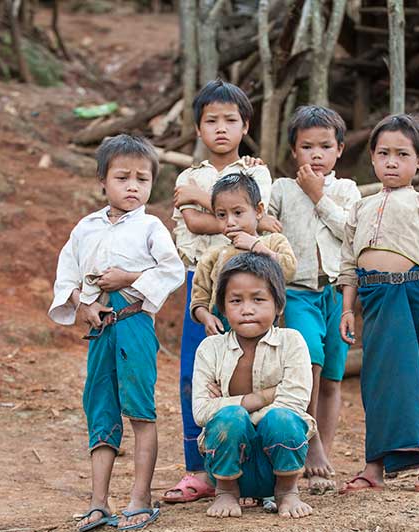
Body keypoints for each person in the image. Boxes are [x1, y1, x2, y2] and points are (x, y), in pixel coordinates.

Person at [48, 134, 184, 531]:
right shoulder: (85, 228)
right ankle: (97, 503)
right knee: (101, 407)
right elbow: (67, 274)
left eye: (142, 179)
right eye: (122, 178)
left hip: (135, 323)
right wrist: (83, 304)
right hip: (101, 329)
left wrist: (130, 276)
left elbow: (172, 270)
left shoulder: (151, 227)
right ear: (102, 181)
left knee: (140, 409)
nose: (133, 186)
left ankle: (140, 499)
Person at [167, 79, 280, 504]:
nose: (220, 128)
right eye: (210, 121)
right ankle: (199, 469)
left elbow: (250, 222)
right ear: (197, 129)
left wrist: (204, 201)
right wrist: (232, 215)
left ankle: (251, 472)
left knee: (254, 373)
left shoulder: (256, 171)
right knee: (196, 376)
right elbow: (195, 224)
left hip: (249, 281)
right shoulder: (187, 177)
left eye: (230, 120)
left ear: (245, 124)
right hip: (202, 282)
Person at [337, 114, 419, 494]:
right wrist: (346, 309)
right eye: (383, 153)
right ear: (372, 158)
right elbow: (348, 263)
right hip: (374, 300)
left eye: (402, 154)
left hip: (413, 296)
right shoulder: (360, 206)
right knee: (377, 382)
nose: (392, 162)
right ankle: (374, 467)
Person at [267, 106, 361, 494]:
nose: (316, 155)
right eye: (307, 147)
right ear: (294, 152)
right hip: (298, 292)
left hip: (337, 294)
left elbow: (350, 233)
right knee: (310, 367)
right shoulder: (282, 189)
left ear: (339, 150)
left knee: (333, 379)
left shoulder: (346, 190)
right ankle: (312, 444)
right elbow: (264, 221)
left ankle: (325, 450)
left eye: (325, 146)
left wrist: (319, 196)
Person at [192, 253, 315, 519]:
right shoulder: (210, 349)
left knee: (282, 418)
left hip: (279, 463)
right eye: (236, 301)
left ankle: (287, 492)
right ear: (222, 308)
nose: (247, 309)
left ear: (278, 305)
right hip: (231, 466)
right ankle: (225, 492)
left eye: (258, 299)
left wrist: (235, 408)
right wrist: (262, 397)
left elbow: (294, 402)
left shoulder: (291, 342)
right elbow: (201, 412)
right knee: (230, 419)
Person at [192, 173, 297, 336]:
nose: (230, 221)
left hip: (267, 332)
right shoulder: (213, 256)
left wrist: (255, 245)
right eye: (221, 215)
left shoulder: (274, 242)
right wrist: (206, 318)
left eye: (238, 212)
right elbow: (199, 298)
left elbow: (289, 270)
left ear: (259, 211)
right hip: (224, 333)